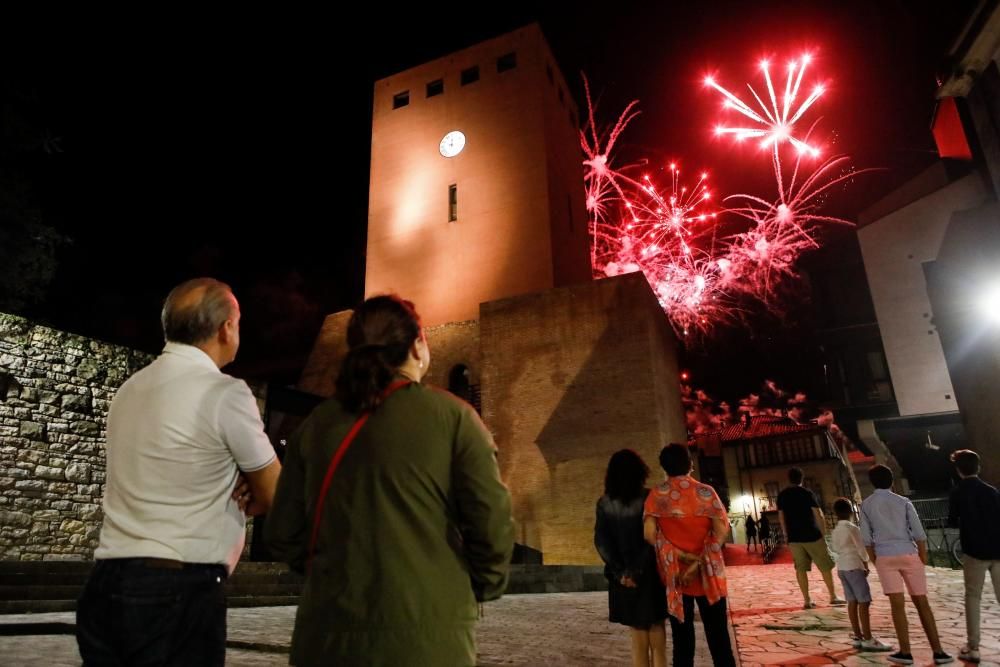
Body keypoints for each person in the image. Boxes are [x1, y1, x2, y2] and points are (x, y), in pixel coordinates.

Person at [265, 295, 514, 666]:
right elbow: (492, 523)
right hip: (428, 638)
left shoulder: (316, 426)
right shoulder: (454, 418)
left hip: (326, 634)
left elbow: (282, 534)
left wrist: (335, 570)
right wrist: (473, 586)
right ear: (417, 345)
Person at [76, 278, 282, 665]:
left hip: (106, 582)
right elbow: (275, 492)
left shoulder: (130, 390)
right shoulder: (224, 393)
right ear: (226, 328)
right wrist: (248, 488)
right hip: (179, 586)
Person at [643, 443, 735, 667]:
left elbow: (649, 535)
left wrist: (682, 557)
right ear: (690, 464)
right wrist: (698, 562)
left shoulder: (656, 495)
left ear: (664, 467)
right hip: (709, 575)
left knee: (682, 642)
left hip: (675, 576)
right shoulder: (706, 492)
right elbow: (721, 532)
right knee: (719, 639)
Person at [861, 464, 953, 665]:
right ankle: (938, 652)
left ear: (872, 482)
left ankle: (905, 652)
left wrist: (876, 561)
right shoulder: (903, 501)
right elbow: (919, 533)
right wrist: (922, 558)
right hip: (909, 552)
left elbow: (866, 539)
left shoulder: (866, 505)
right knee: (922, 603)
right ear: (892, 481)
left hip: (885, 556)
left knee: (897, 606)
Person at [595, 450, 668, 667]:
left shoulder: (604, 503)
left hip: (623, 578)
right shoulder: (650, 498)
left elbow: (601, 542)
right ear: (640, 471)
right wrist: (637, 569)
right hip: (650, 574)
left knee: (636, 632)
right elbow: (654, 539)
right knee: (656, 629)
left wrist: (620, 572)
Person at [947, 449, 1000, 664]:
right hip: (998, 551)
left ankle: (973, 646)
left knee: (973, 597)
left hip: (974, 552)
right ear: (978, 467)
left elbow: (951, 521)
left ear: (958, 470)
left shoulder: (958, 492)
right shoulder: (992, 491)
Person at [777, 467, 844, 609]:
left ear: (789, 479)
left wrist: (786, 534)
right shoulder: (807, 493)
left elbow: (781, 516)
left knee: (800, 568)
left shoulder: (782, 495)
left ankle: (807, 600)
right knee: (825, 566)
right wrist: (823, 533)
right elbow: (818, 514)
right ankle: (833, 596)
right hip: (812, 534)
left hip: (794, 537)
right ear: (801, 478)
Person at [830, 498, 891, 652]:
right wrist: (866, 563)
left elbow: (835, 548)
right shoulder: (852, 528)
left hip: (842, 567)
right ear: (850, 511)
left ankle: (857, 636)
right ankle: (868, 638)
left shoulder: (835, 530)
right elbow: (861, 548)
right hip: (853, 565)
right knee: (864, 601)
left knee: (852, 601)